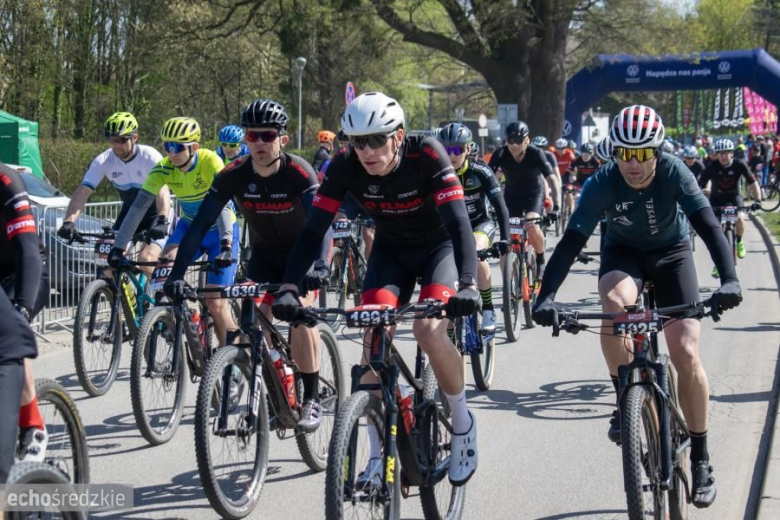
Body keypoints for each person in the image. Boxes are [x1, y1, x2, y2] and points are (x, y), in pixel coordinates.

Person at [533, 104, 743, 509]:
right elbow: (571, 244)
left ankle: (701, 457)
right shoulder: (601, 183)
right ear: (614, 152)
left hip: (672, 255)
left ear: (657, 152)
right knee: (614, 305)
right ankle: (625, 395)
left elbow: (709, 226)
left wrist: (729, 278)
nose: (633, 163)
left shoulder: (674, 172)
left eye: (643, 153)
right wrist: (545, 297)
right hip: (623, 255)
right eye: (624, 153)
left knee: (684, 350)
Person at [272, 91, 481, 487]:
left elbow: (458, 223)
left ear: (398, 136)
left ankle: (462, 420)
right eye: (357, 142)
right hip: (391, 253)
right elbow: (314, 227)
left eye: (376, 140)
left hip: (439, 248)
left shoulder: (428, 154)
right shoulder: (345, 165)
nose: (366, 151)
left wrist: (469, 283)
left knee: (428, 330)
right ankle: (373, 456)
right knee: (373, 339)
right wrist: (288, 286)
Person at [162, 100, 329, 431]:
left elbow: (319, 223)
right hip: (264, 256)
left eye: (268, 136)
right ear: (245, 140)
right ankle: (269, 384)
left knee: (296, 316)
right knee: (250, 323)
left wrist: (321, 265)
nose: (260, 144)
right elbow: (198, 226)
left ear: (282, 139)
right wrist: (177, 274)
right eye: (252, 137)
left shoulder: (299, 172)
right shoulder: (233, 174)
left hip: (302, 256)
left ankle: (311, 397)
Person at [108, 117, 239, 346]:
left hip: (219, 230)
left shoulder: (210, 161)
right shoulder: (163, 168)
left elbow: (225, 205)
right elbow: (138, 207)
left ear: (194, 147)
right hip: (189, 227)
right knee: (163, 272)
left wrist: (227, 243)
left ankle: (233, 358)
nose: (171, 153)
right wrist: (119, 246)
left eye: (177, 147)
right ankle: (189, 318)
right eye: (167, 146)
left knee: (215, 303)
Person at [57, 112, 172, 275]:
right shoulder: (103, 160)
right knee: (108, 263)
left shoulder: (149, 156)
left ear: (135, 137)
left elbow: (163, 191)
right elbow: (82, 192)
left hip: (156, 214)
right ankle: (122, 298)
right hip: (130, 214)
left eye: (122, 139)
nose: (117, 145)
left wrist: (163, 219)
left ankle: (163, 296)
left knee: (146, 260)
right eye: (112, 140)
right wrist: (69, 222)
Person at [438, 123, 510, 333]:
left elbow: (500, 205)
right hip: (450, 229)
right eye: (446, 149)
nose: (451, 155)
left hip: (480, 224)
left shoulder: (480, 171)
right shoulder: (436, 173)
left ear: (468, 149)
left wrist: (505, 238)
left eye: (457, 149)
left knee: (477, 254)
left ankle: (488, 308)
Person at [0, 163, 44, 483]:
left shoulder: (6, 181)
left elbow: (29, 250)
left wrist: (24, 311)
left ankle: (33, 426)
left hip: (21, 275)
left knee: (13, 333)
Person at [489, 122, 561, 279]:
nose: (514, 145)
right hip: (511, 196)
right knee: (505, 242)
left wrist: (556, 207)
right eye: (510, 141)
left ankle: (541, 260)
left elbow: (552, 180)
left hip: (533, 195)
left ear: (527, 140)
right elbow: (489, 179)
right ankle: (508, 286)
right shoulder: (500, 154)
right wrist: (488, 205)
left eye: (518, 141)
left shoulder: (536, 154)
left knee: (531, 225)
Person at [697, 138, 762, 277]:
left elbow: (753, 183)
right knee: (716, 231)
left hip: (734, 198)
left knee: (740, 219)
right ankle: (718, 263)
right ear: (716, 154)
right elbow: (700, 184)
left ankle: (738, 242)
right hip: (716, 199)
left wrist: (758, 200)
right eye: (720, 153)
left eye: (726, 153)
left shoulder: (740, 164)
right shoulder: (712, 166)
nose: (723, 156)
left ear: (732, 153)